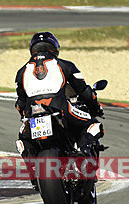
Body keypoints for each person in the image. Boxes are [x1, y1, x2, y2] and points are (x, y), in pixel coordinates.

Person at [15, 32, 104, 183]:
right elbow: (84, 91)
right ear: (54, 48)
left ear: (32, 49)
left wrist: (25, 117)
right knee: (94, 125)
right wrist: (96, 107)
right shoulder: (65, 65)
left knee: (22, 138)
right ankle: (83, 150)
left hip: (33, 115)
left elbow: (20, 104)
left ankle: (32, 167)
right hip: (61, 109)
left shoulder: (21, 72)